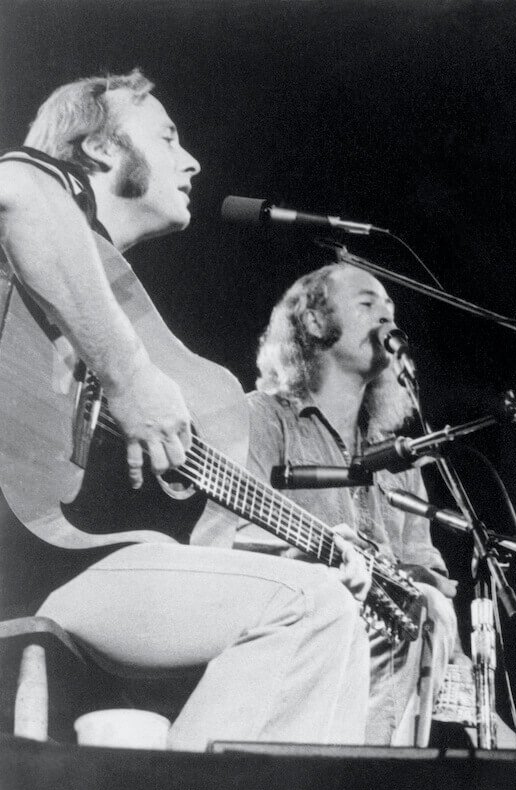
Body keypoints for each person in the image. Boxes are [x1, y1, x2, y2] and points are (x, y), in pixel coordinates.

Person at [0, 70, 372, 750]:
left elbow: (201, 546)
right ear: (100, 150)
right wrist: (129, 376)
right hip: (32, 555)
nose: (192, 160)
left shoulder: (163, 342)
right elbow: (16, 192)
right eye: (167, 137)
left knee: (327, 607)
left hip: (96, 567)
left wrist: (307, 545)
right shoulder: (48, 193)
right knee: (311, 609)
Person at [238, 262, 461, 746]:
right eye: (368, 304)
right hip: (298, 650)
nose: (387, 317)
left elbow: (424, 570)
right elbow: (222, 540)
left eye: (391, 307)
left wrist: (426, 592)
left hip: (392, 674)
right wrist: (303, 560)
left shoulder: (400, 461)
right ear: (315, 322)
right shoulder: (261, 417)